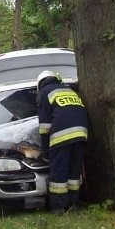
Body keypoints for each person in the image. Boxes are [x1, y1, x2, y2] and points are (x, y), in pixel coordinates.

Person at [36, 70, 89, 214]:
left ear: (40, 84)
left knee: (59, 171)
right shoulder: (69, 91)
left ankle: (58, 207)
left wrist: (46, 150)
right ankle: (73, 204)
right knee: (74, 169)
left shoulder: (44, 93)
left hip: (61, 135)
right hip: (82, 132)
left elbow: (45, 126)